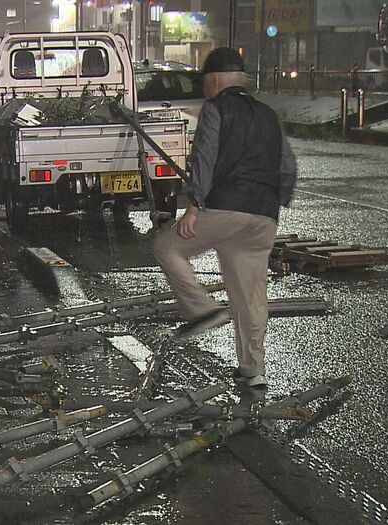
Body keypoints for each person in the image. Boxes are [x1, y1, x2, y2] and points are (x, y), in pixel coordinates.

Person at [152, 47, 296, 388]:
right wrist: (276, 201)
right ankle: (252, 370)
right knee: (250, 296)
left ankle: (202, 309)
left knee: (166, 247)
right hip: (263, 217)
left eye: (204, 84)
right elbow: (287, 165)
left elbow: (204, 156)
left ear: (214, 81)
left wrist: (194, 205)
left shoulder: (216, 109)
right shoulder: (268, 114)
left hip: (224, 207)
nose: (204, 90)